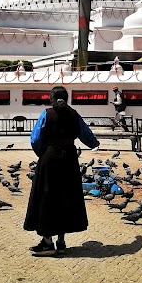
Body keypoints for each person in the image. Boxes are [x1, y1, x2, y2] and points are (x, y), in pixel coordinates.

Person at [24, 86, 100, 256]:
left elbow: (35, 138)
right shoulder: (74, 114)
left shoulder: (47, 114)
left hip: (50, 158)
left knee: (47, 196)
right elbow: (86, 134)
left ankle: (47, 243)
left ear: (52, 98)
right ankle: (61, 242)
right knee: (66, 197)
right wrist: (94, 144)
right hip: (69, 159)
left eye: (50, 97)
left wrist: (43, 152)